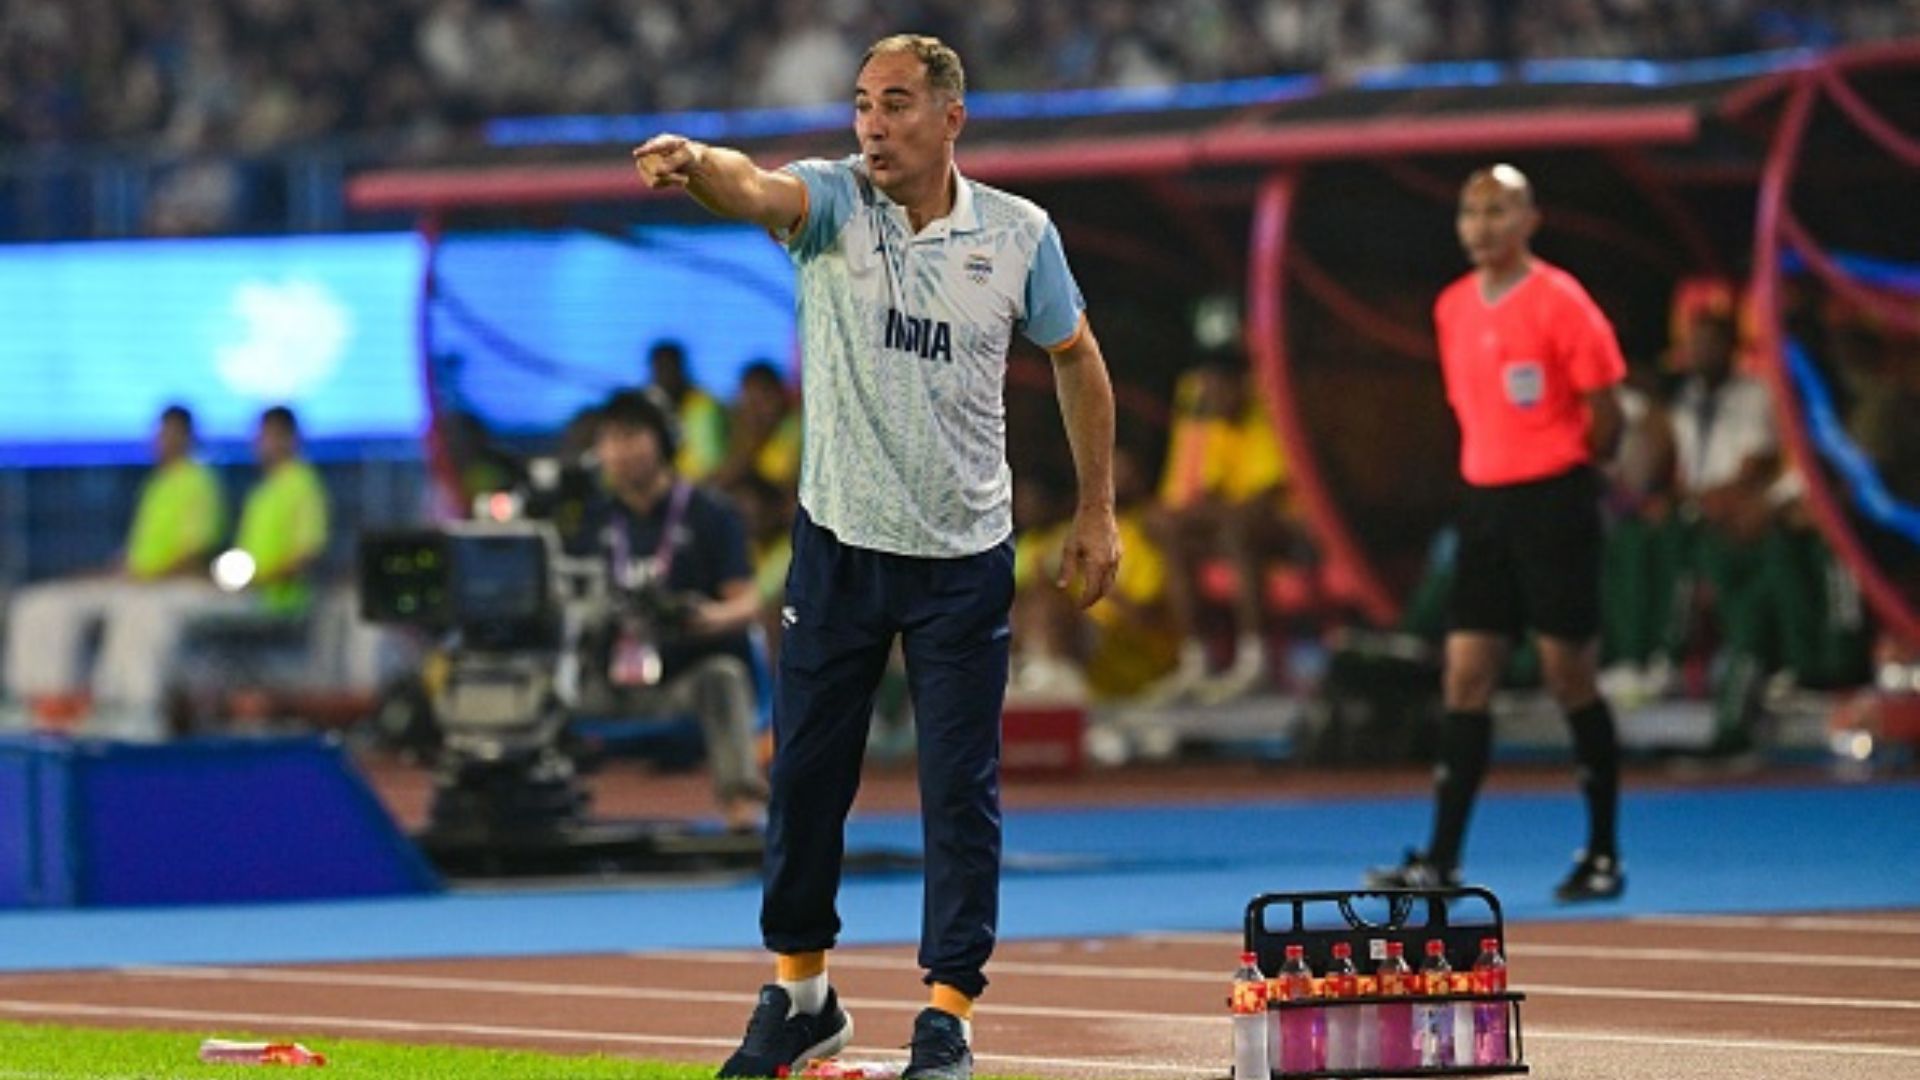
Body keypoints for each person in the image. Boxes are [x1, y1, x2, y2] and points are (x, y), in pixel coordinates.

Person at [632, 32, 1120, 1080]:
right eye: (861, 103)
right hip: (839, 545)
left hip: (963, 556)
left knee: (959, 790)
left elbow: (1077, 358)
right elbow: (750, 187)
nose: (872, 124)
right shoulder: (832, 204)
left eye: (895, 103)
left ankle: (947, 1017)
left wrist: (1097, 510)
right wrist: (696, 161)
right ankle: (802, 998)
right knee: (807, 777)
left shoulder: (1020, 235)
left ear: (951, 117)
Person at [1366, 164, 1629, 904]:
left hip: (1555, 501)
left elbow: (1607, 412)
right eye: (1471, 212)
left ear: (1529, 221)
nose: (1482, 227)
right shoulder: (1452, 306)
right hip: (1485, 504)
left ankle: (1603, 852)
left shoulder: (1561, 301)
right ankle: (1442, 861)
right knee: (1465, 676)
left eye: (1498, 212)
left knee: (1568, 674)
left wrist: (1566, 468)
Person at [571, 388, 770, 831]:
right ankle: (536, 812)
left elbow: (746, 601)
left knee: (723, 677)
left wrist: (706, 618)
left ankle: (741, 807)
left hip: (683, 678)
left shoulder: (711, 513)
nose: (618, 451)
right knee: (541, 688)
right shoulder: (590, 520)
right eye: (609, 439)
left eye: (631, 436)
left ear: (663, 440)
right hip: (606, 684)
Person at [91, 405, 330, 726]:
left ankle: (143, 707)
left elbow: (308, 554)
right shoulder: (264, 491)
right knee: (136, 607)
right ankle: (113, 701)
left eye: (268, 437)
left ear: (291, 439)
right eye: (260, 437)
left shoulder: (303, 485)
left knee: (155, 609)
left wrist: (255, 579)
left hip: (273, 600)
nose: (260, 444)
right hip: (242, 592)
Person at [4, 404, 225, 725]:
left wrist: (147, 576)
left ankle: (126, 705)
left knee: (140, 612)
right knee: (39, 604)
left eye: (171, 434)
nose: (162, 441)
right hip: (134, 580)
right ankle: (39, 701)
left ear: (188, 438)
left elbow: (198, 552)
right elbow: (138, 555)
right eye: (160, 434)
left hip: (168, 585)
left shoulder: (200, 483)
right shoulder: (156, 485)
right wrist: (114, 573)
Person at [1140, 352, 1310, 705]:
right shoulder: (1214, 423)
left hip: (1291, 528)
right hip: (1234, 526)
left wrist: (1188, 517)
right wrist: (1175, 520)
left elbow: (1263, 499)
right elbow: (1209, 494)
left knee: (1236, 531)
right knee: (1174, 538)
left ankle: (1256, 662)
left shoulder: (1264, 415)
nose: (1208, 396)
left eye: (1217, 387)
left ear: (1241, 385)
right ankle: (1196, 661)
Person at [646, 339, 729, 480]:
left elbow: (710, 460)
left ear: (682, 370)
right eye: (661, 370)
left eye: (670, 369)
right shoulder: (645, 406)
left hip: (703, 483)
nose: (666, 377)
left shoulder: (705, 406)